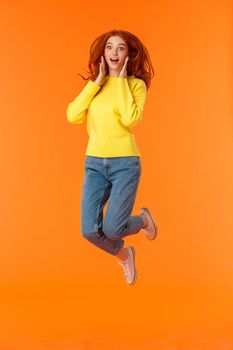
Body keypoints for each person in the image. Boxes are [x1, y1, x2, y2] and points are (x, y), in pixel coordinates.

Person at [66, 29, 158, 285]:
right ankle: (125, 254)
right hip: (94, 164)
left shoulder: (135, 85)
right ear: (103, 52)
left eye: (120, 48)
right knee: (89, 231)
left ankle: (141, 221)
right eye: (109, 47)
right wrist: (96, 82)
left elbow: (130, 118)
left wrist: (119, 79)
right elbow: (73, 115)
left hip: (124, 164)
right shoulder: (95, 85)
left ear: (129, 54)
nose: (114, 52)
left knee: (113, 229)